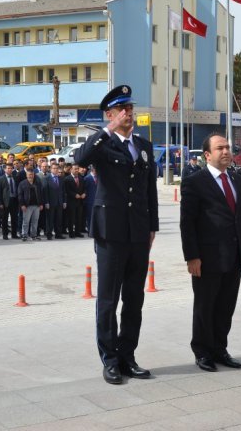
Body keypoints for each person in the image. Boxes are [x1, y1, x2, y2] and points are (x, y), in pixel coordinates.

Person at [74, 85, 159, 385]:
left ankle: (128, 356)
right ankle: (109, 359)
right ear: (110, 115)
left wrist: (153, 226)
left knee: (134, 299)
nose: (129, 114)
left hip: (138, 232)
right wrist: (106, 130)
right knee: (108, 300)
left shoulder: (144, 146)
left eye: (130, 109)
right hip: (111, 232)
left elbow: (150, 191)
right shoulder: (102, 144)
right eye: (122, 110)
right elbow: (80, 158)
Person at [180, 133, 241, 372]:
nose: (226, 151)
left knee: (226, 306)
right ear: (207, 155)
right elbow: (187, 222)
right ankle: (202, 352)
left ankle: (220, 349)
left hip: (234, 256)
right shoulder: (195, 181)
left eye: (228, 147)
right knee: (205, 306)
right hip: (207, 257)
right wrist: (192, 256)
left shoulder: (238, 179)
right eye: (220, 148)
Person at [42, 163, 66, 240]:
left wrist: (64, 202)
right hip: (50, 202)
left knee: (59, 219)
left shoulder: (61, 178)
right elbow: (45, 191)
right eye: (54, 168)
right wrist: (46, 202)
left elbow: (63, 191)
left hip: (59, 202)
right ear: (50, 169)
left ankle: (58, 234)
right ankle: (49, 234)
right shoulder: (47, 178)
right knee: (50, 219)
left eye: (56, 168)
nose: (55, 170)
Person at [17, 169, 43, 241]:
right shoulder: (22, 183)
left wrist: (41, 204)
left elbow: (41, 194)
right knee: (26, 221)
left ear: (34, 175)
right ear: (26, 175)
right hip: (27, 206)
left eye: (32, 174)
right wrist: (22, 205)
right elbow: (20, 195)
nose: (30, 176)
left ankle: (33, 235)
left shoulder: (37, 183)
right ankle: (24, 235)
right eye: (29, 174)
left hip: (36, 206)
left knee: (35, 221)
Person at [0, 163, 19, 240]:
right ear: (5, 169)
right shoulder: (1, 179)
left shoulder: (15, 177)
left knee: (14, 218)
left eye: (11, 168)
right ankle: (5, 234)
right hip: (5, 202)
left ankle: (14, 234)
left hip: (14, 200)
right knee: (5, 219)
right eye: (8, 168)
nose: (10, 170)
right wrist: (0, 203)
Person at [64, 164, 85, 238]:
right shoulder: (67, 179)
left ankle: (77, 232)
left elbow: (84, 188)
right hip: (71, 201)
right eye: (75, 169)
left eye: (77, 169)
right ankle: (71, 233)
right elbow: (67, 190)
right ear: (71, 170)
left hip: (80, 201)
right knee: (71, 218)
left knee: (79, 218)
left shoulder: (81, 178)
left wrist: (84, 193)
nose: (76, 170)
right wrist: (74, 195)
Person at [82, 165, 98, 235]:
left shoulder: (98, 177)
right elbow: (84, 189)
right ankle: (90, 231)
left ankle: (95, 230)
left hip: (97, 200)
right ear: (92, 170)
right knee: (89, 216)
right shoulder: (87, 178)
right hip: (89, 200)